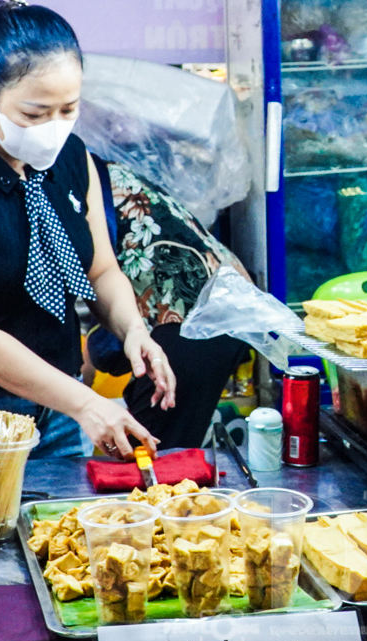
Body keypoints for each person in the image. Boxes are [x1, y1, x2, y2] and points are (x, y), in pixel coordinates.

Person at [0, 0, 176, 461]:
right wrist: (86, 403)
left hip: (59, 404)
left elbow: (101, 270)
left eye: (68, 110)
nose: (54, 128)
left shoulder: (70, 157)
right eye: (34, 114)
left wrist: (132, 330)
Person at [86, 158, 250, 449]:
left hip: (193, 319)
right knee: (153, 456)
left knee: (149, 466)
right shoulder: (90, 167)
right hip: (216, 303)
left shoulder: (67, 169)